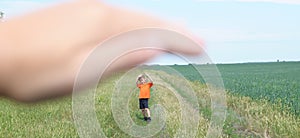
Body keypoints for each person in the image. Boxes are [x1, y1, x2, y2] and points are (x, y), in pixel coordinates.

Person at [0, 0, 202, 102]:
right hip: (144, 97)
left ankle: (147, 118)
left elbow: (147, 82)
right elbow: (145, 82)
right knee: (145, 107)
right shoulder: (144, 85)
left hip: (144, 98)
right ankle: (146, 118)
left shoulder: (145, 85)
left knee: (145, 107)